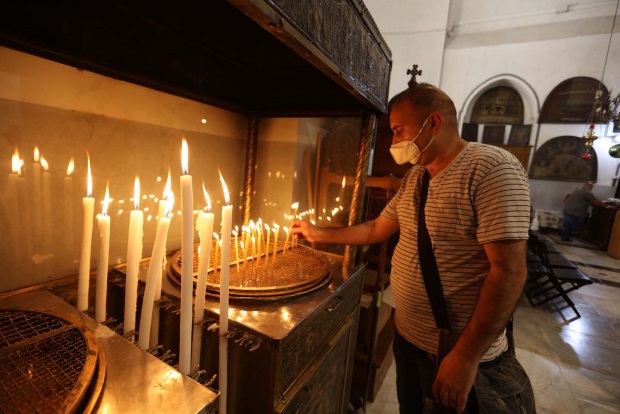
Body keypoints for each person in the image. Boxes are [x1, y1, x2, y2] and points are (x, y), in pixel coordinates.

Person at [291, 82, 535, 413]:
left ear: (433, 123)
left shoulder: (490, 168)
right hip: (410, 339)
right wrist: (319, 234)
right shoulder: (416, 178)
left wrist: (465, 357)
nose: (393, 142)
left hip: (455, 351)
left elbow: (509, 272)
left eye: (398, 130)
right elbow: (377, 228)